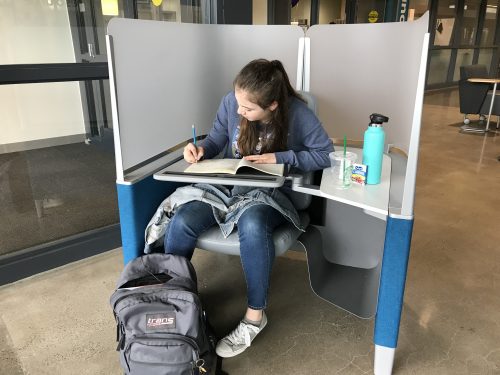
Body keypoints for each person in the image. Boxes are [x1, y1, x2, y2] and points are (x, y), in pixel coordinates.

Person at [164, 58, 333, 358]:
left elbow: (325, 155)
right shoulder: (233, 101)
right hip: (228, 186)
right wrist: (201, 149)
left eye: (247, 109)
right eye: (237, 103)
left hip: (272, 193)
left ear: (272, 106)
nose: (238, 111)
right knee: (182, 220)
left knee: (253, 225)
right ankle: (173, 301)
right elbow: (218, 137)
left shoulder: (298, 113)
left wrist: (283, 158)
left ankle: (255, 317)